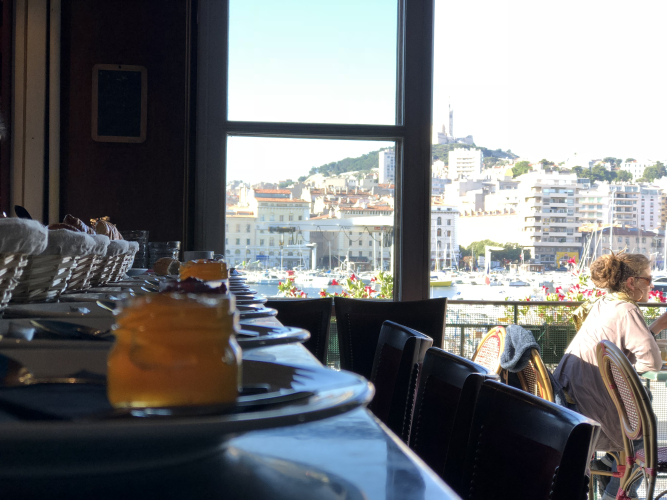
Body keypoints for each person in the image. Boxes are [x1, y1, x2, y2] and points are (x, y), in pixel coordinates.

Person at [554, 252, 667, 500]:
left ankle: (609, 463)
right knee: (643, 434)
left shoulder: (604, 303)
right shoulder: (627, 309)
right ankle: (617, 494)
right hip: (591, 413)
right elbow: (652, 362)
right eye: (648, 280)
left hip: (569, 400)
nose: (652, 285)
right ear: (632, 282)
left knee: (643, 404)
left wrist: (658, 326)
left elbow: (622, 350)